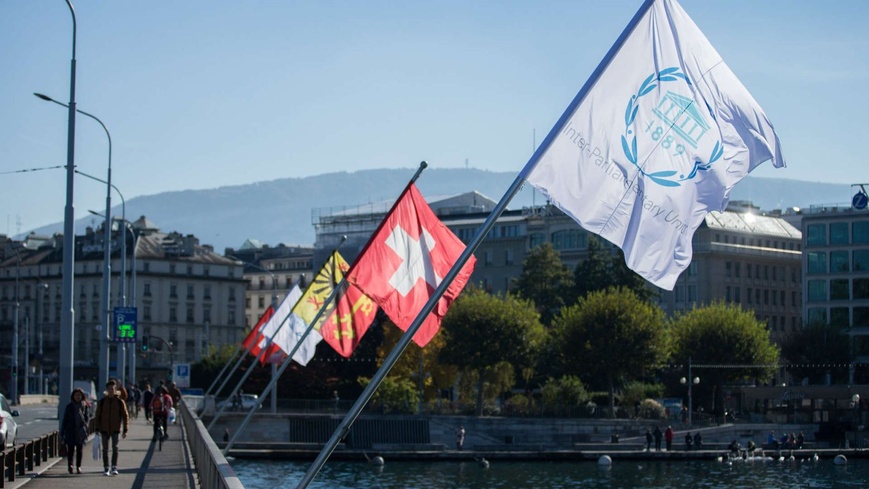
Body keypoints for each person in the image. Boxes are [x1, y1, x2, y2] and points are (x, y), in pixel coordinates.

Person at [94, 380, 129, 476]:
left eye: (112, 388)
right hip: (104, 428)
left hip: (115, 428)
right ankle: (106, 467)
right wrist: (97, 428)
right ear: (107, 390)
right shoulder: (102, 402)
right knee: (105, 449)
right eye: (109, 389)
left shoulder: (119, 402)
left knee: (115, 448)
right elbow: (97, 415)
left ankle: (114, 466)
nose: (110, 390)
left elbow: (125, 416)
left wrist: (125, 429)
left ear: (115, 389)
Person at [60, 388, 90, 474]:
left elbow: (87, 418)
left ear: (82, 396)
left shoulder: (84, 406)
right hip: (71, 431)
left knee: (80, 450)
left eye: (79, 395)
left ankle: (78, 466)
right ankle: (70, 465)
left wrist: (86, 427)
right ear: (73, 396)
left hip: (80, 431)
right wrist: (62, 432)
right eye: (76, 395)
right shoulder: (69, 407)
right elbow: (65, 420)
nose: (78, 397)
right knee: (71, 450)